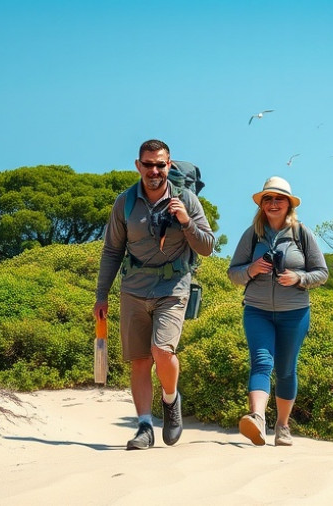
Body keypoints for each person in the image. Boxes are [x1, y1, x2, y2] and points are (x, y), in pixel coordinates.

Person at [94, 139, 215, 450]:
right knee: (139, 360)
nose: (154, 171)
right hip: (133, 288)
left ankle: (171, 399)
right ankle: (144, 427)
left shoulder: (186, 199)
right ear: (138, 166)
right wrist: (101, 295)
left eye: (160, 165)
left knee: (162, 351)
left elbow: (207, 246)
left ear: (169, 165)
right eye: (148, 164)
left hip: (173, 287)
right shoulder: (125, 203)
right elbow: (111, 251)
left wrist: (186, 221)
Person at [226, 176, 328, 446]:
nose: (273, 203)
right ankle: (257, 418)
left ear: (289, 204)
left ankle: (282, 426)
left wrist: (298, 278)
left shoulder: (302, 234)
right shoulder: (252, 235)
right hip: (257, 311)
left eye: (279, 199)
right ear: (261, 205)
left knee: (285, 370)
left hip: (294, 313)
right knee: (261, 362)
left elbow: (322, 273)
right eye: (268, 199)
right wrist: (252, 269)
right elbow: (233, 273)